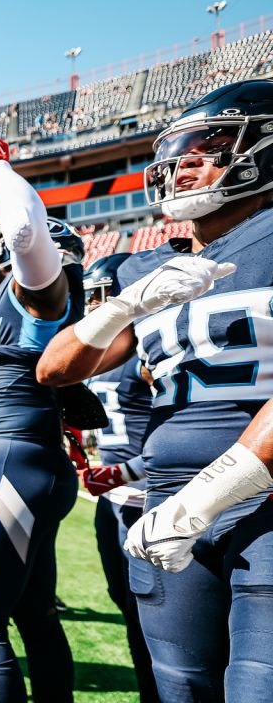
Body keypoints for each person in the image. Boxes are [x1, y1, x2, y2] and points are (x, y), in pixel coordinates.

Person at [37, 79, 273, 701]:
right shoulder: (148, 267)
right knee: (178, 688)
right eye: (178, 148)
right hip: (164, 502)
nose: (180, 162)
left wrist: (204, 498)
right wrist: (127, 305)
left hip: (260, 499)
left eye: (209, 144)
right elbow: (55, 370)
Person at [0, 137, 85, 702]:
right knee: (33, 612)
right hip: (20, 459)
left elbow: (26, 227)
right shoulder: (17, 305)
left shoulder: (39, 293)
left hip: (8, 460)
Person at [76, 253, 159, 703]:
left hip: (151, 496)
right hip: (115, 499)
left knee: (156, 612)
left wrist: (126, 470)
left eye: (99, 294)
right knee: (125, 601)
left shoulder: (150, 345)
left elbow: (179, 428)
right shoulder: (105, 354)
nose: (92, 305)